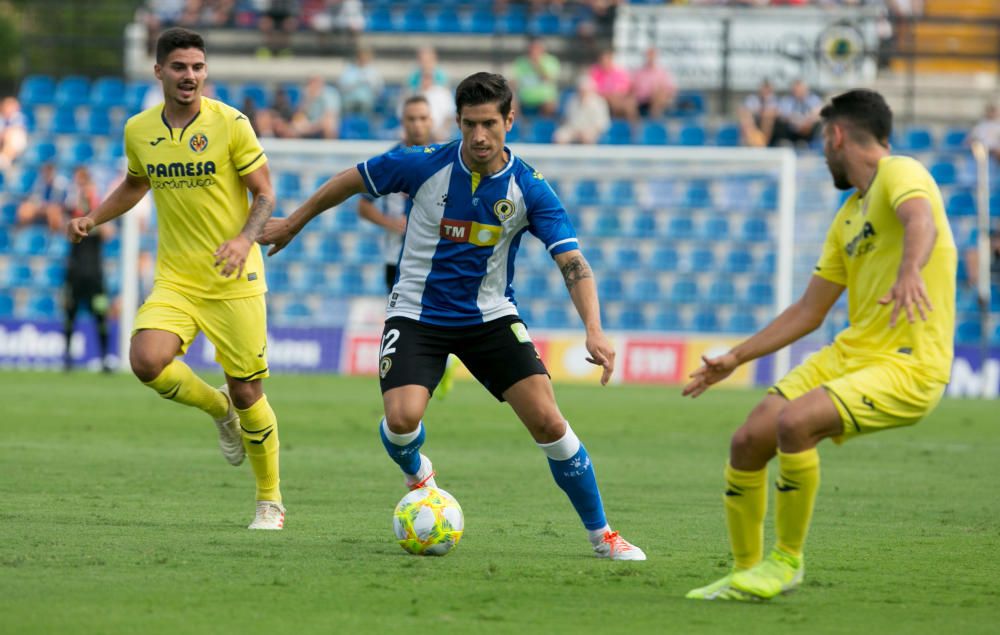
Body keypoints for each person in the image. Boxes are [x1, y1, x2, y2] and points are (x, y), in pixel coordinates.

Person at [261, 72, 646, 560]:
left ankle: (603, 535)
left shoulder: (530, 188)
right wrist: (293, 223)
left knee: (549, 422)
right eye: (469, 124)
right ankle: (417, 471)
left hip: (489, 318)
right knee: (401, 421)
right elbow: (349, 180)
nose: (479, 136)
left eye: (489, 123)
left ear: (510, 119)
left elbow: (572, 262)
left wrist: (594, 328)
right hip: (417, 314)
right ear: (458, 122)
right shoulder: (421, 165)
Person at [683, 89, 956, 601]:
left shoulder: (899, 172)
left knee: (795, 423)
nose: (822, 155)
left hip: (909, 363)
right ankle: (747, 571)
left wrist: (910, 270)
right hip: (851, 353)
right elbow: (809, 311)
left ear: (835, 135)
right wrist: (735, 358)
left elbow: (922, 220)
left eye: (822, 144)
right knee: (748, 440)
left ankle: (786, 562)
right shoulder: (848, 216)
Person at [65, 27, 284, 530]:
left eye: (198, 67)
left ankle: (269, 500)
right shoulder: (139, 130)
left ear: (206, 72)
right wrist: (94, 218)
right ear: (159, 70)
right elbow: (135, 184)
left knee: (249, 391)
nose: (190, 76)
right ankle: (217, 409)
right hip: (178, 279)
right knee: (145, 360)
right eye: (180, 67)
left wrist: (243, 239)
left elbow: (266, 195)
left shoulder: (231, 123)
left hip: (234, 277)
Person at [63, 165, 113, 373]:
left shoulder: (97, 212)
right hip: (75, 274)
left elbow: (108, 234)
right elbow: (59, 225)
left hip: (95, 276)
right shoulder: (70, 208)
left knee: (100, 316)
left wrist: (92, 211)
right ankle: (67, 359)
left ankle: (104, 359)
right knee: (70, 315)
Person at [510, 37, 561, 117]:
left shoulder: (551, 61)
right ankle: (516, 127)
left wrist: (537, 65)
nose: (534, 51)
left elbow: (548, 79)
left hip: (544, 99)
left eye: (537, 49)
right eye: (532, 48)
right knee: (510, 106)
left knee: (550, 106)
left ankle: (544, 127)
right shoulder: (521, 62)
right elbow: (514, 81)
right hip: (524, 98)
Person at [553, 75, 610, 145]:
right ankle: (562, 155)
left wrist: (589, 130)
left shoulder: (599, 102)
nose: (582, 92)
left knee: (587, 137)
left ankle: (589, 155)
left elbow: (602, 124)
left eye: (585, 90)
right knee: (559, 136)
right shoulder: (572, 100)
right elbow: (567, 119)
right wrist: (576, 131)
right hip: (573, 129)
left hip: (592, 130)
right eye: (580, 90)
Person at [17, 162, 68, 231]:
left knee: (53, 211)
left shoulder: (61, 184)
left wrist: (49, 207)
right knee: (25, 208)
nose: (47, 175)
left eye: (49, 173)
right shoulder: (40, 182)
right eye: (45, 172)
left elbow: (62, 202)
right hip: (42, 207)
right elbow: (35, 198)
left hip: (55, 208)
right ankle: (25, 232)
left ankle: (54, 235)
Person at [773, 79, 822, 147]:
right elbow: (783, 114)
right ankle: (787, 143)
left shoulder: (814, 99)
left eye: (800, 89)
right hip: (791, 130)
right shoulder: (787, 100)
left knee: (818, 121)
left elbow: (817, 112)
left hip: (808, 129)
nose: (798, 92)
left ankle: (806, 144)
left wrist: (806, 121)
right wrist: (796, 121)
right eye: (795, 90)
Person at [630, 47, 676, 119]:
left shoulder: (662, 72)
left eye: (652, 56)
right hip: (642, 101)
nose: (650, 58)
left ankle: (653, 120)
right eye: (648, 56)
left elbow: (670, 89)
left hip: (658, 99)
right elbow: (633, 89)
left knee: (659, 94)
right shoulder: (639, 73)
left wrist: (658, 91)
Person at [291, 75, 340, 139]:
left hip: (321, 123)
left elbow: (329, 115)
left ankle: (330, 148)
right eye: (311, 83)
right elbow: (299, 114)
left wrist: (313, 127)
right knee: (294, 126)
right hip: (309, 123)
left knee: (329, 124)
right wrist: (308, 99)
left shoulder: (330, 93)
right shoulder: (306, 94)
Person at [339, 46, 383, 116]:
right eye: (361, 56)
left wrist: (370, 83)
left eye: (365, 57)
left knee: (366, 106)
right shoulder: (349, 69)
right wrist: (355, 84)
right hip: (349, 100)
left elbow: (379, 89)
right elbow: (341, 87)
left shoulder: (373, 71)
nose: (363, 59)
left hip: (366, 101)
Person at [738, 79, 778, 147]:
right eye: (763, 89)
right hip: (753, 123)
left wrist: (762, 113)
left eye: (767, 89)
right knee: (746, 119)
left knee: (767, 119)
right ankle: (752, 141)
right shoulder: (752, 98)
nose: (765, 91)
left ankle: (761, 143)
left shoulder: (774, 100)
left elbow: (774, 112)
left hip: (769, 125)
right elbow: (744, 110)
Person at [0, 96, 28, 169]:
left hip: (16, 142)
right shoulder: (1, 117)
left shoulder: (19, 117)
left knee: (12, 135)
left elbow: (15, 130)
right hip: (3, 141)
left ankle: (5, 159)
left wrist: (5, 134)